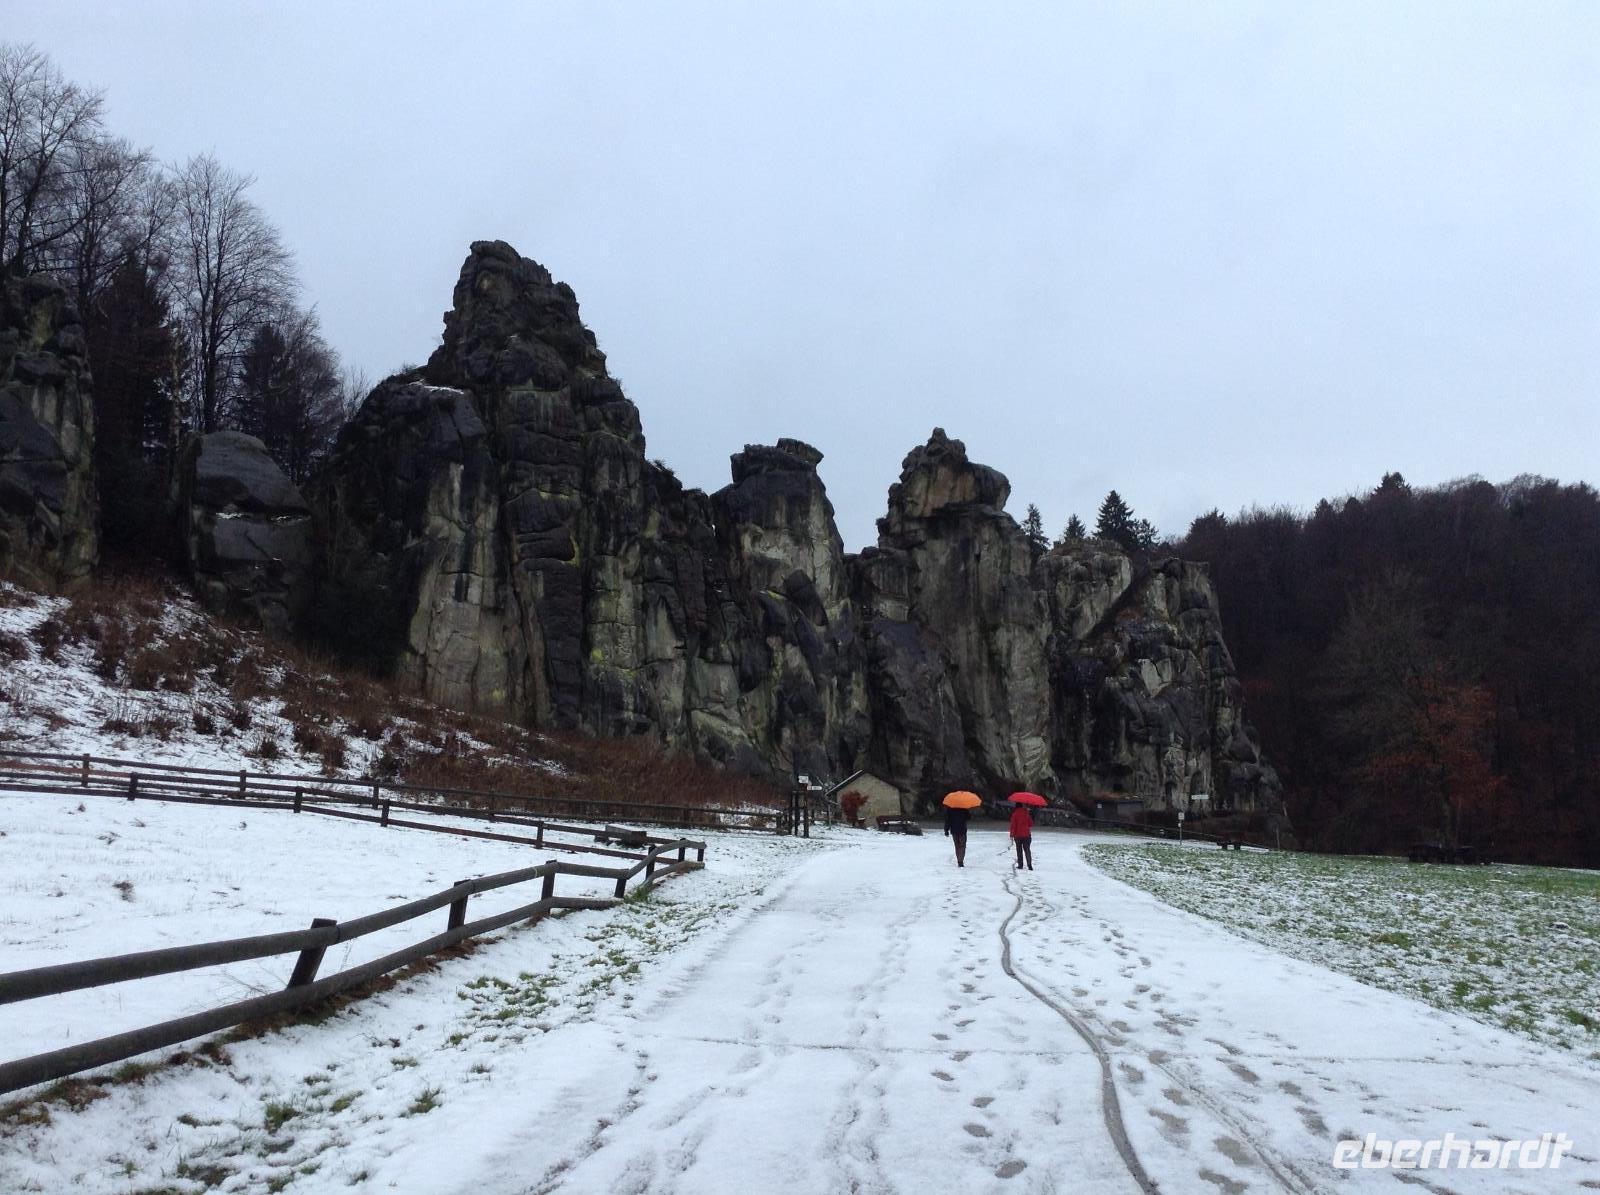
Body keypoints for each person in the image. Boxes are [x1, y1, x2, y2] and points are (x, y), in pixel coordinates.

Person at [1009, 803, 1034, 870]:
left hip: (1018, 835)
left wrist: (1011, 835)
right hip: (1027, 835)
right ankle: (1029, 865)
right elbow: (1031, 824)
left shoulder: (1015, 814)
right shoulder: (1026, 813)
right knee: (1027, 850)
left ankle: (1020, 865)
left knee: (1019, 850)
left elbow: (1013, 826)